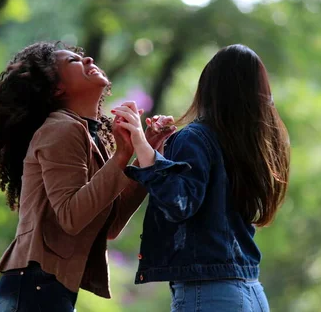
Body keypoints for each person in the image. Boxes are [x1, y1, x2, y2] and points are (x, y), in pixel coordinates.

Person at [0, 41, 176, 312]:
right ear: (57, 88)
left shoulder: (85, 135)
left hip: (44, 291)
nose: (89, 59)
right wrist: (121, 157)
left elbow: (110, 227)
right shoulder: (62, 128)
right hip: (34, 290)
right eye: (74, 62)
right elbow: (71, 217)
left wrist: (143, 155)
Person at [112, 44, 290, 312]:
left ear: (208, 87)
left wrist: (142, 145)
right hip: (251, 291)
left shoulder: (195, 137)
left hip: (209, 294)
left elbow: (180, 202)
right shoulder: (247, 147)